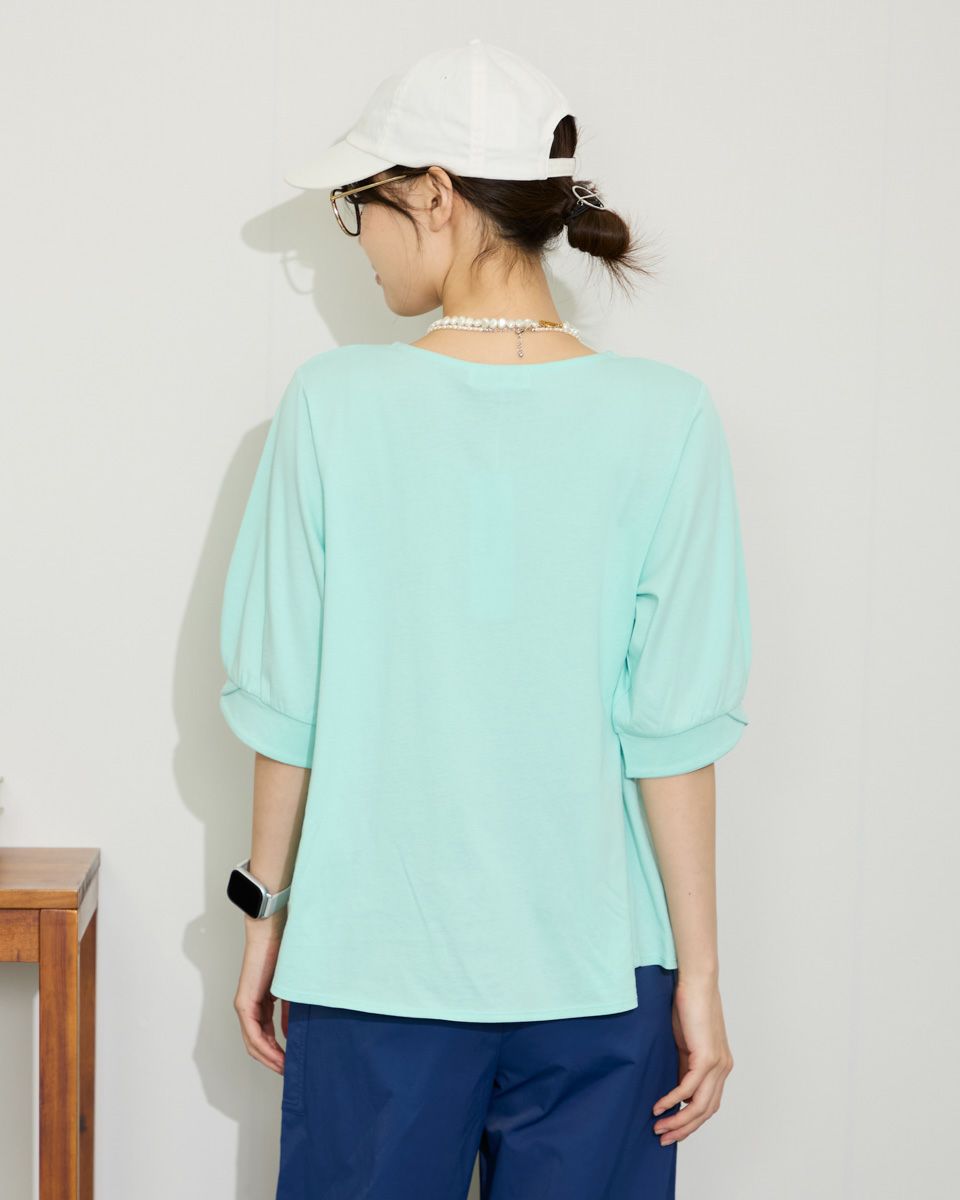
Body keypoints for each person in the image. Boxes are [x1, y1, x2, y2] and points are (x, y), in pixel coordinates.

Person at [219, 38, 752, 1200]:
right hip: (606, 975)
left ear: (434, 195)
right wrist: (701, 978)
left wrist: (265, 915)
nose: (355, 242)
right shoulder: (665, 418)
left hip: (374, 968)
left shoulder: (332, 407)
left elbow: (285, 702)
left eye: (359, 208)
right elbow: (672, 731)